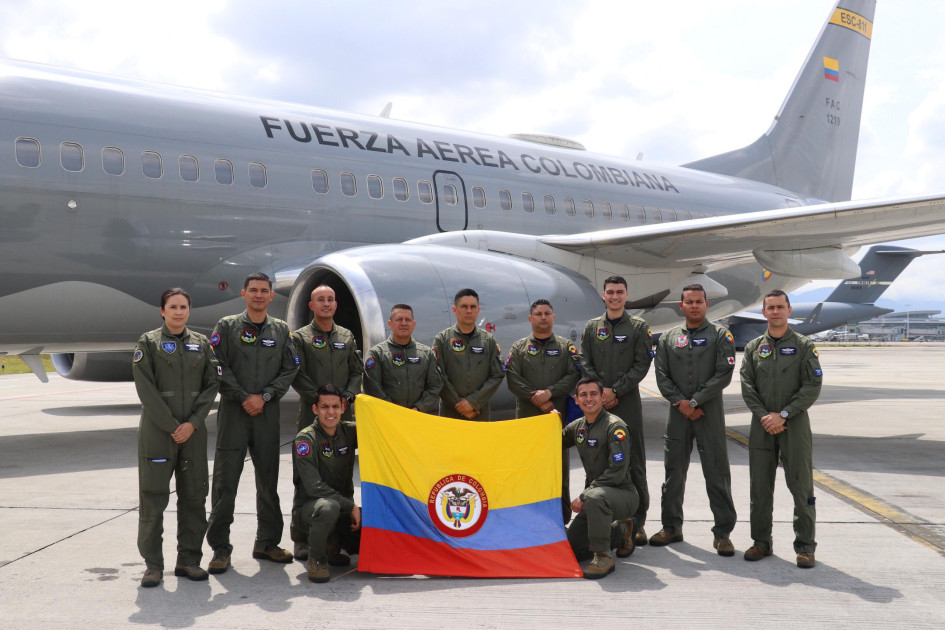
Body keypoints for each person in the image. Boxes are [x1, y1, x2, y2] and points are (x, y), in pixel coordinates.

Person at [205, 272, 300, 574]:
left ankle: (267, 542)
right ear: (244, 293)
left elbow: (290, 368)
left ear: (272, 296)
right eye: (253, 290)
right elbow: (217, 364)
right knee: (224, 483)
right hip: (234, 412)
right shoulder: (227, 327)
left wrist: (266, 395)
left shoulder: (282, 330)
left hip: (266, 414)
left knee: (268, 481)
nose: (259, 295)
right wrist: (244, 396)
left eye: (264, 291)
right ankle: (221, 549)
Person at [133, 288, 221, 588]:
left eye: (184, 307)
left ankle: (189, 560)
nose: (179, 312)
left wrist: (193, 423)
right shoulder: (149, 342)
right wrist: (172, 425)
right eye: (173, 307)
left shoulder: (202, 343)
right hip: (158, 433)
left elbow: (212, 385)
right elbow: (146, 389)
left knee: (195, 498)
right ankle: (153, 566)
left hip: (193, 433)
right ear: (162, 310)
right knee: (153, 499)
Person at [651, 284, 737, 555]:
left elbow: (724, 373)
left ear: (706, 304)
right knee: (673, 472)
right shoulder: (667, 338)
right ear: (681, 305)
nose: (694, 305)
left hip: (708, 412)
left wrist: (696, 401)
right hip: (677, 413)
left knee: (716, 472)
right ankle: (671, 526)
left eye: (699, 301)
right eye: (689, 301)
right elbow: (661, 374)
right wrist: (681, 403)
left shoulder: (721, 335)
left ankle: (722, 533)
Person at [740, 289, 823, 568]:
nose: (775, 312)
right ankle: (761, 542)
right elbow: (747, 386)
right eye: (770, 308)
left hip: (795, 425)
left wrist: (784, 415)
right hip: (762, 426)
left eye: (780, 307)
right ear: (763, 312)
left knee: (801, 487)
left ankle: (805, 547)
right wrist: (765, 416)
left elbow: (812, 385)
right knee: (760, 488)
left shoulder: (804, 346)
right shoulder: (753, 348)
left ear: (789, 310)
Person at [289, 285, 363, 559]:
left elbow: (356, 371)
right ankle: (300, 536)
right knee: (306, 477)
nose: (326, 304)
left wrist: (346, 398)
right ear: (311, 306)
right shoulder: (300, 337)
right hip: (313, 414)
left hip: (340, 412)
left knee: (342, 473)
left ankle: (338, 532)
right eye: (320, 300)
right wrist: (322, 401)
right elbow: (296, 373)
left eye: (330, 300)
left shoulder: (346, 336)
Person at [580, 275, 653, 545]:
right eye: (610, 292)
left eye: (619, 292)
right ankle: (600, 517)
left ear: (626, 295)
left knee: (634, 462)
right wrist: (600, 392)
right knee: (598, 458)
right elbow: (585, 361)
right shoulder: (592, 327)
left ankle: (639, 521)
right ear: (603, 295)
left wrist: (616, 391)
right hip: (597, 403)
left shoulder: (638, 327)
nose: (614, 296)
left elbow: (641, 364)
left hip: (627, 401)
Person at [506, 299, 581, 522]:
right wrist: (537, 399)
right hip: (528, 421)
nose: (543, 317)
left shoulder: (566, 347)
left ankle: (562, 519)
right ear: (531, 319)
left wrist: (550, 393)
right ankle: (529, 519)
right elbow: (512, 379)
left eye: (547, 313)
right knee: (529, 470)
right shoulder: (519, 348)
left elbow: (573, 375)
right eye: (538, 314)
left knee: (559, 470)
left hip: (556, 420)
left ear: (553, 317)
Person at [563, 377, 639, 579]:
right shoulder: (579, 426)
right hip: (595, 498)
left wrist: (584, 495)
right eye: (583, 395)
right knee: (573, 549)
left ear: (603, 397)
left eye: (594, 394)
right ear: (576, 400)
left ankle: (603, 557)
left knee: (596, 497)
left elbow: (618, 471)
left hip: (622, 494)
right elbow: (555, 441)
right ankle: (621, 530)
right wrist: (550, 421)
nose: (589, 399)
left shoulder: (615, 427)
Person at [291, 384, 361, 583]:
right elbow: (314, 488)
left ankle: (333, 546)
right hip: (310, 511)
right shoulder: (306, 439)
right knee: (328, 507)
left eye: (335, 407)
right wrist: (351, 506)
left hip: (343, 511)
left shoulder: (349, 432)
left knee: (375, 525)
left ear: (342, 408)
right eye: (324, 407)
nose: (330, 412)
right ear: (315, 409)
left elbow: (380, 431)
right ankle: (317, 559)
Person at [432, 288, 504, 421]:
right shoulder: (442, 339)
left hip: (479, 413)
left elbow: (497, 374)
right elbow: (437, 375)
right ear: (455, 310)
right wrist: (459, 405)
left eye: (473, 307)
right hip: (450, 414)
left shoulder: (488, 340)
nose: (469, 311)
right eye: (464, 306)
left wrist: (473, 402)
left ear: (478, 310)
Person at [362, 303, 442, 412]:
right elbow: (373, 388)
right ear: (390, 324)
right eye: (399, 319)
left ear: (413, 324)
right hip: (388, 417)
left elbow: (435, 386)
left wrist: (419, 408)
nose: (404, 323)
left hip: (419, 417)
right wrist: (395, 411)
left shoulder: (426, 354)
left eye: (407, 320)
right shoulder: (377, 353)